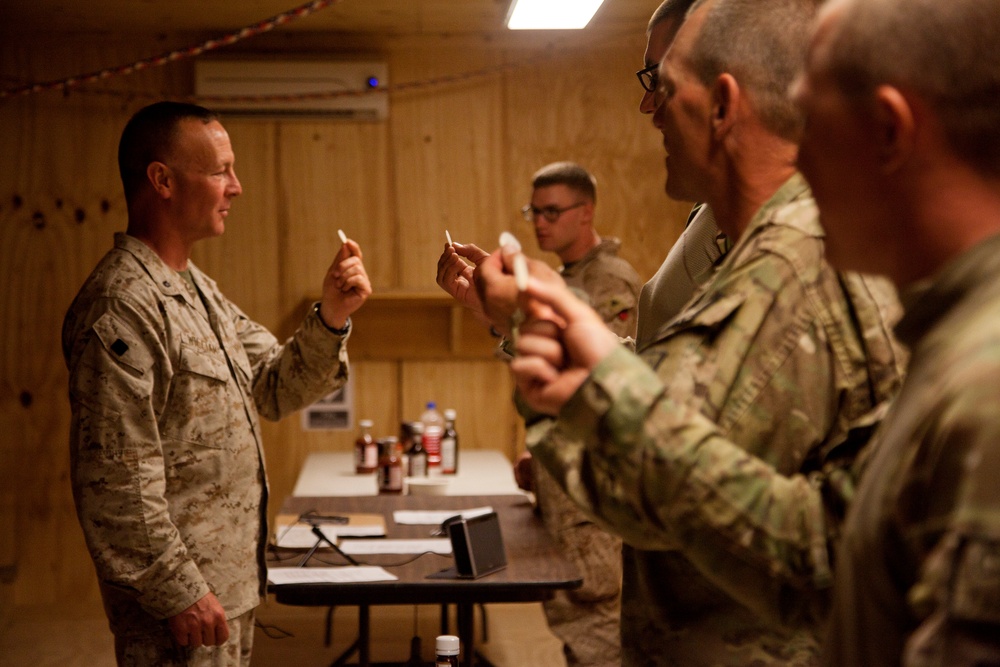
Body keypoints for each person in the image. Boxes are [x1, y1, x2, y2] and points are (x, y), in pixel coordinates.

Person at [475, 0, 906, 663]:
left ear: (725, 104)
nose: (649, 110)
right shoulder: (794, 238)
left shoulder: (789, 267)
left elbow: (640, 488)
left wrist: (542, 350)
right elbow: (686, 404)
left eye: (662, 86)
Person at [62, 101, 372, 666]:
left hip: (225, 588)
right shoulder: (124, 304)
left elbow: (275, 386)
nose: (237, 187)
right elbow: (113, 478)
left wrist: (331, 315)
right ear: (163, 181)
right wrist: (178, 590)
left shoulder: (195, 289)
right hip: (180, 609)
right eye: (219, 171)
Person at [789, 0, 1000, 663]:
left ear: (888, 130)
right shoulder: (953, 348)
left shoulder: (983, 393)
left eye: (807, 124)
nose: (797, 164)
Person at [437, 161, 639, 666]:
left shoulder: (609, 278)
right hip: (568, 486)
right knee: (579, 636)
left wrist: (511, 313)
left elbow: (607, 385)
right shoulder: (568, 277)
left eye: (553, 211)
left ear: (586, 211)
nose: (540, 223)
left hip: (595, 496)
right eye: (535, 212)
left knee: (597, 638)